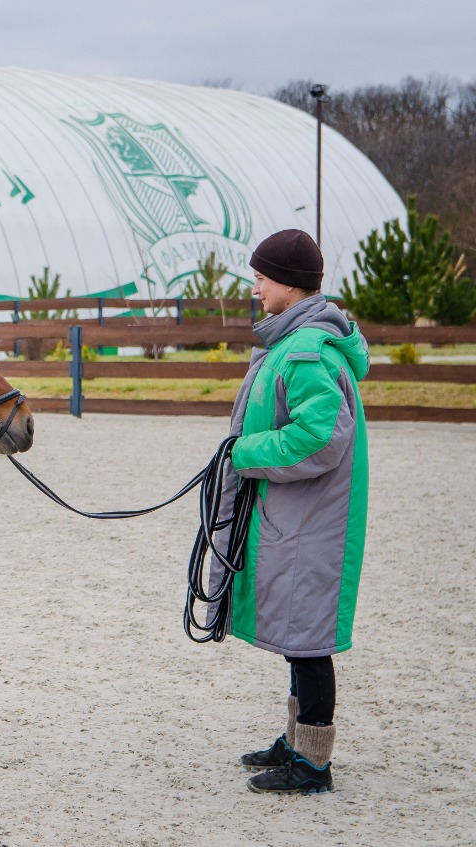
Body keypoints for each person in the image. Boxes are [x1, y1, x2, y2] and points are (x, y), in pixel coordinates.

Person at [221, 229, 369, 795]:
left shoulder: (307, 351)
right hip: (298, 516)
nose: (255, 287)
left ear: (288, 282)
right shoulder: (290, 343)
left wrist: (245, 453)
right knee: (296, 633)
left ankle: (312, 763)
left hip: (312, 523)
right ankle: (297, 740)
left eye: (262, 277)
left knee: (308, 641)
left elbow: (320, 437)